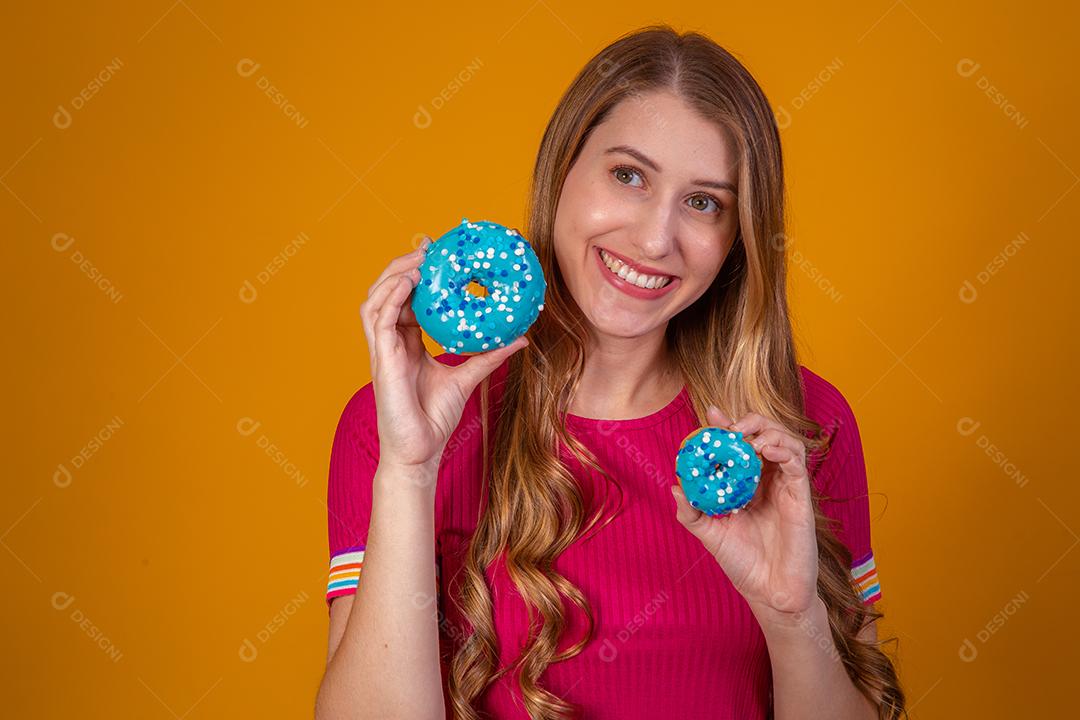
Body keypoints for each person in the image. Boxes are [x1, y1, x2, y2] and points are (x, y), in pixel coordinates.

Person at [315, 24, 904, 720]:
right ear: (561, 169)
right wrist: (410, 471)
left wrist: (791, 614)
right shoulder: (398, 422)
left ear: (737, 238)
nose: (655, 239)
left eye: (703, 202)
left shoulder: (798, 430)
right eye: (628, 176)